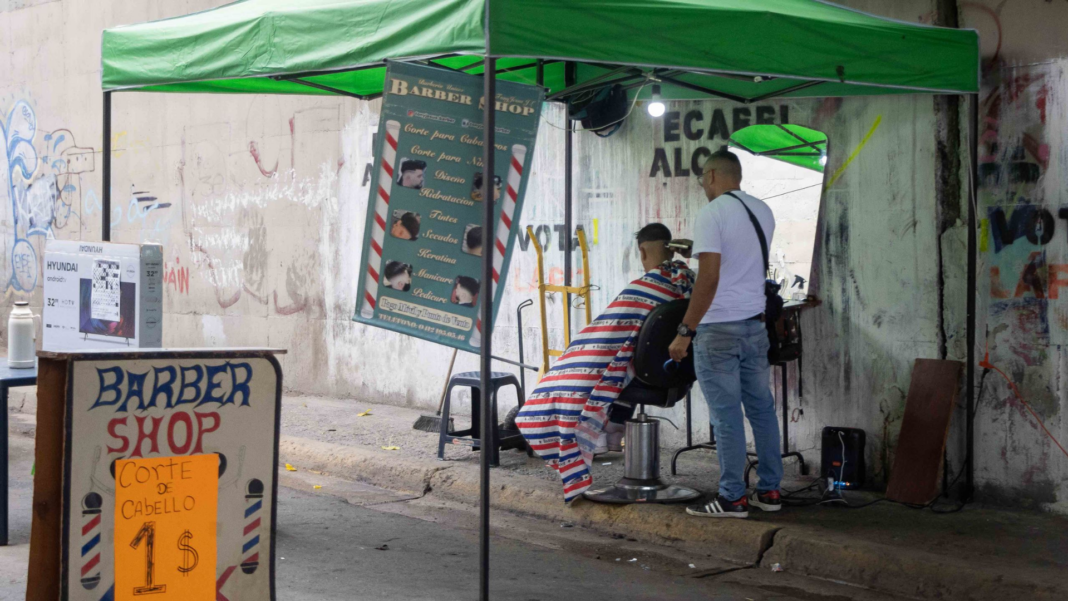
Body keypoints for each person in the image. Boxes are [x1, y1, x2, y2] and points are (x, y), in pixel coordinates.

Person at [517, 223, 695, 502]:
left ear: (642, 251)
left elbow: (605, 337)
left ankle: (598, 428)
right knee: (617, 367)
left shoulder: (643, 288)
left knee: (563, 379)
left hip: (643, 376)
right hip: (676, 374)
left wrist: (574, 358)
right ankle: (612, 425)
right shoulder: (689, 285)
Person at [667, 147, 781, 519]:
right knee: (762, 409)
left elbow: (711, 278)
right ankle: (770, 491)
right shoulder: (762, 210)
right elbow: (740, 263)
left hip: (718, 330)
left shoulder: (712, 213)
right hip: (754, 326)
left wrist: (686, 330)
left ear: (713, 175)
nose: (702, 185)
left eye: (702, 178)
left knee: (727, 415)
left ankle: (732, 498)